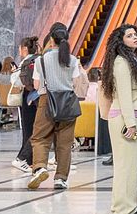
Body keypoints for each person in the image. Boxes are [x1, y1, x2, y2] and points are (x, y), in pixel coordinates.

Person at [99, 24, 137, 214]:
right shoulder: (121, 62)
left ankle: (127, 204)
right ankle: (123, 208)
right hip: (124, 117)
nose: (135, 37)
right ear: (120, 41)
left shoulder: (133, 61)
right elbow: (123, 94)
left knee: (129, 165)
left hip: (132, 115)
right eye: (129, 35)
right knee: (124, 165)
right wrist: (129, 123)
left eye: (135, 34)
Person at [27, 25, 84, 190]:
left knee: (40, 137)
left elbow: (37, 85)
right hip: (67, 103)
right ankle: (60, 178)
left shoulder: (41, 60)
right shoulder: (72, 60)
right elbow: (75, 83)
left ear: (51, 40)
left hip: (46, 100)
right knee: (64, 143)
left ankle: (40, 167)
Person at [10, 36, 40, 172]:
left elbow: (16, 81)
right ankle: (33, 160)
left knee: (28, 129)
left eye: (20, 48)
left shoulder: (25, 63)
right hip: (39, 96)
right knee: (37, 126)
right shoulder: (40, 59)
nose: (19, 51)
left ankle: (24, 159)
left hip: (28, 96)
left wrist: (13, 74)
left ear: (25, 48)